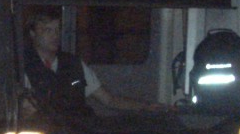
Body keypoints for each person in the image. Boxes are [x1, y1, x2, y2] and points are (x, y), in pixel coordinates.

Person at [22, 8, 168, 115]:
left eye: (57, 30)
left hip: (78, 132)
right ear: (32, 33)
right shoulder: (21, 67)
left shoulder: (74, 65)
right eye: (47, 30)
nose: (55, 36)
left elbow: (109, 100)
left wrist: (146, 106)